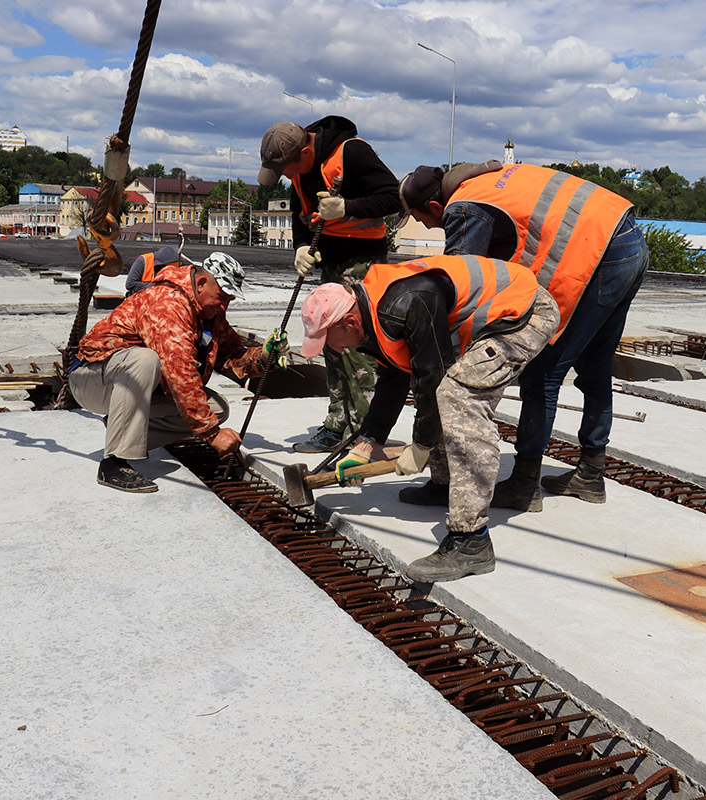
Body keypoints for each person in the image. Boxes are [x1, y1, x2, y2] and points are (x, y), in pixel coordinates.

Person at [395, 160, 648, 511]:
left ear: (435, 206)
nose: (431, 227)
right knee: (595, 367)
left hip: (594, 253)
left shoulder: (464, 208)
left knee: (542, 373)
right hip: (627, 237)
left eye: (424, 221)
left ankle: (525, 485)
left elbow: (461, 282)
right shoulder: (486, 181)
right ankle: (590, 472)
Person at [300, 255, 560, 583]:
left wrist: (421, 445)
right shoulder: (374, 313)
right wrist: (365, 446)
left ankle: (471, 541)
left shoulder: (406, 304)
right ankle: (446, 484)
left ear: (348, 323)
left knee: (459, 395)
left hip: (525, 311)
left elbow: (432, 377)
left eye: (328, 341)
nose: (333, 351)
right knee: (442, 392)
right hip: (504, 311)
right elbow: (395, 377)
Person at [70, 252, 289, 493]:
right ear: (202, 283)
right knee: (144, 360)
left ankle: (120, 427)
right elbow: (178, 370)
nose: (225, 305)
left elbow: (230, 356)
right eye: (222, 297)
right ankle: (113, 464)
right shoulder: (169, 302)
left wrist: (263, 356)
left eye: (230, 300)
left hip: (123, 386)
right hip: (91, 378)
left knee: (216, 407)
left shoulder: (209, 312)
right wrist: (212, 434)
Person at [257, 116, 402, 453]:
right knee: (330, 343)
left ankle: (365, 433)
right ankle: (338, 425)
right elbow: (299, 211)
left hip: (362, 262)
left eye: (289, 169)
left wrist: (347, 207)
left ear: (306, 151)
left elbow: (393, 197)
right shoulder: (298, 169)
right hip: (330, 261)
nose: (289, 177)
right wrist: (300, 246)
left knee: (356, 345)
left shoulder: (352, 153)